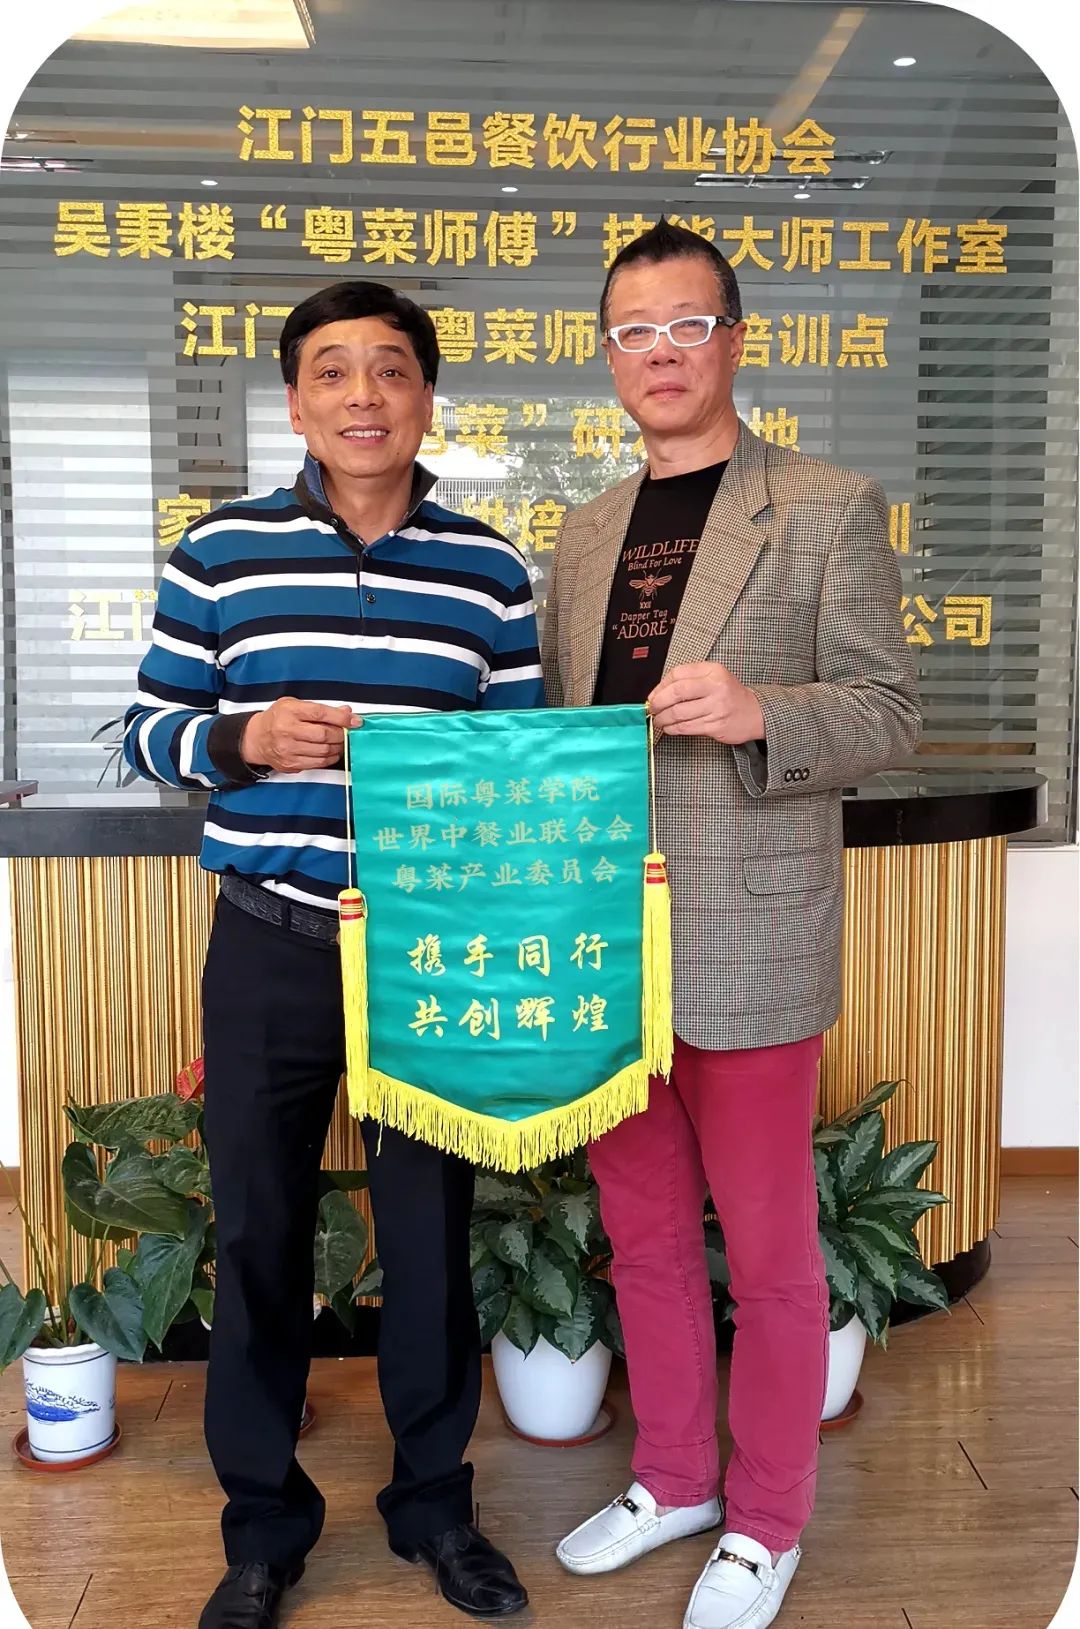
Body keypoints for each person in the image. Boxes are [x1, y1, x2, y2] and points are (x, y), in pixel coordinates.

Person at [124, 280, 542, 1629]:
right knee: (258, 1231)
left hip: (430, 949)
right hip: (270, 941)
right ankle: (262, 1528)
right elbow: (147, 731)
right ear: (297, 401)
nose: (365, 394)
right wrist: (241, 740)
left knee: (429, 1232)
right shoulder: (221, 553)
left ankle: (435, 1507)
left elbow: (522, 771)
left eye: (392, 368)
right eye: (333, 370)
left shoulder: (489, 572)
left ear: (427, 396)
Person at [542, 221, 921, 1629]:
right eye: (634, 331)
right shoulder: (586, 532)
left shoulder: (822, 504)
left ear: (735, 341)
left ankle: (767, 1519)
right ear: (608, 355)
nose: (662, 353)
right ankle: (674, 1480)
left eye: (688, 325)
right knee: (641, 1234)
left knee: (767, 1256)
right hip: (609, 938)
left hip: (751, 934)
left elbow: (889, 709)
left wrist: (767, 711)